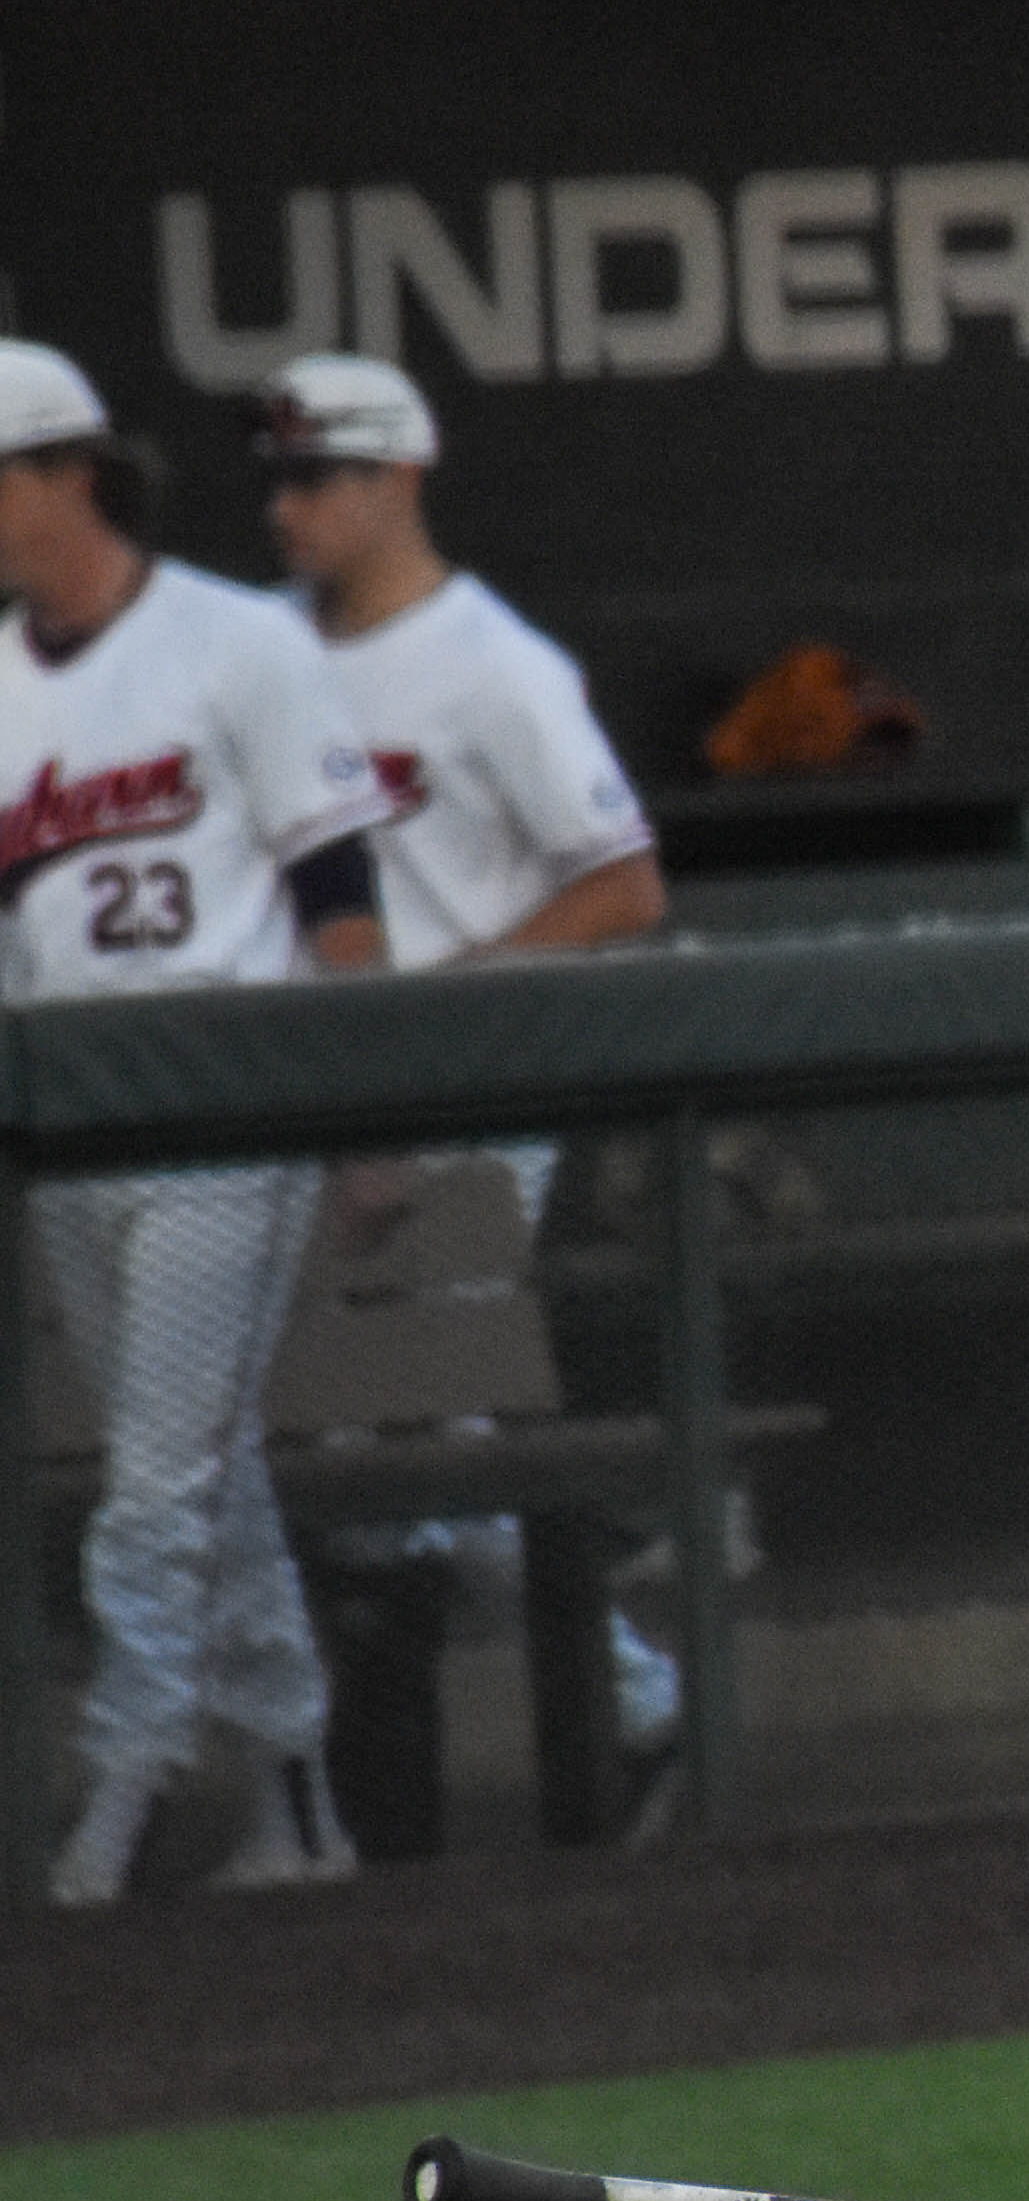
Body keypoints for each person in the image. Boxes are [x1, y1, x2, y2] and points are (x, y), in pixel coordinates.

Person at [253, 350, 687, 1855]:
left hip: (472, 1092)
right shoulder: (269, 658)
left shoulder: (492, 662)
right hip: (329, 1097)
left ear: (399, 478)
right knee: (374, 1464)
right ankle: (629, 1699)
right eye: (280, 478)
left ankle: (625, 1701)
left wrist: (455, 998)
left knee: (407, 1455)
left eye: (319, 477)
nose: (289, 506)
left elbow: (625, 881)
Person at [0, 339, 400, 1909]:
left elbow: (341, 903)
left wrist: (371, 1114)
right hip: (73, 1130)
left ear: (65, 475)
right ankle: (299, 1799)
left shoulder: (238, 644)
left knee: (156, 1484)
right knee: (198, 1468)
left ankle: (120, 1788)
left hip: (225, 1119)